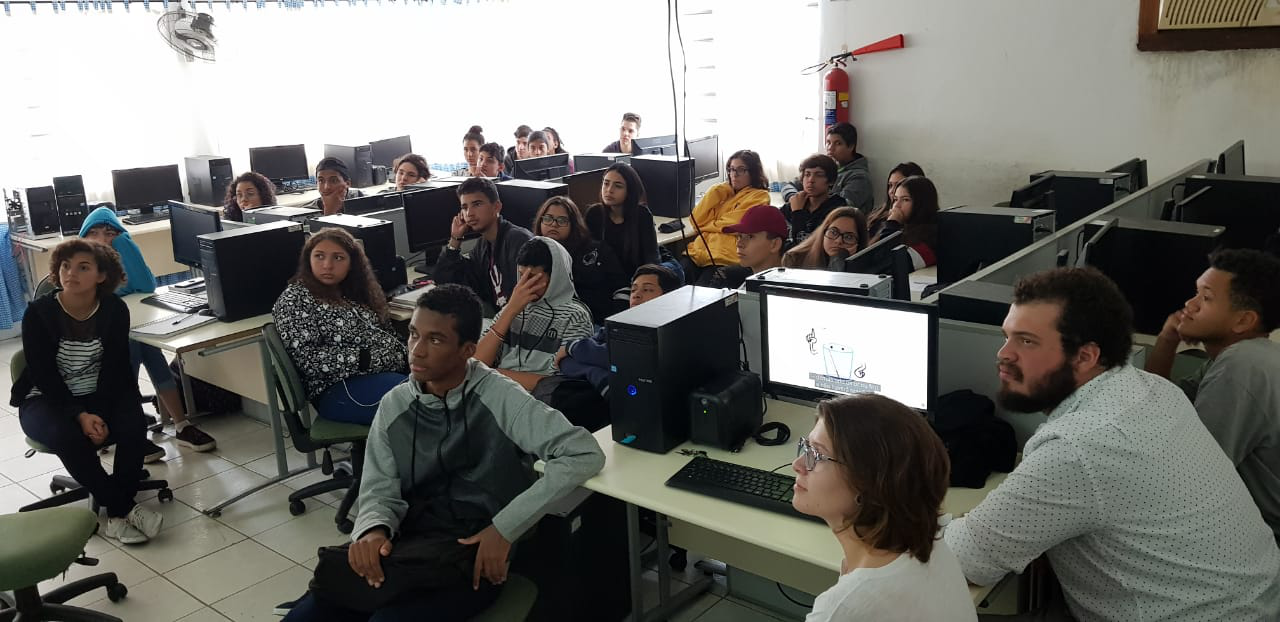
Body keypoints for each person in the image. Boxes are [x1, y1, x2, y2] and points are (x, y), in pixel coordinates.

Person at [944, 267, 1280, 621]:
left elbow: (964, 562)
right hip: (1254, 602)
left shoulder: (1080, 446)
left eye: (1026, 341)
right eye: (1007, 336)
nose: (1004, 354)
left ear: (1086, 356)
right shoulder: (1155, 391)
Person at [281, 284, 605, 622]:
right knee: (306, 616)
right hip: (408, 543)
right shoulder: (395, 404)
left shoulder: (500, 396)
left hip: (474, 551)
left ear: (467, 350)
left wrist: (505, 527)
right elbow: (378, 487)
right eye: (413, 335)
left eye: (435, 340)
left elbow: (583, 454)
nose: (416, 351)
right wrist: (373, 529)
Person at [12, 240, 165, 545]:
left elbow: (117, 368)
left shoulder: (114, 310)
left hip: (100, 392)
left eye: (83, 267)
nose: (71, 273)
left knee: (134, 423)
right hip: (46, 398)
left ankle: (117, 515)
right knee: (67, 435)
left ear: (101, 275)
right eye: (65, 266)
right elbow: (45, 375)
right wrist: (80, 415)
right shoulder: (39, 314)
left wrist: (100, 409)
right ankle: (123, 508)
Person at [795, 394, 976, 622]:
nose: (798, 465)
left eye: (817, 455)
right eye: (806, 447)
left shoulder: (846, 607)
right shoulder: (930, 543)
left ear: (868, 482)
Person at [1146, 249, 1280, 542]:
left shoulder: (1242, 366)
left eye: (1205, 298)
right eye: (1195, 293)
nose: (1189, 305)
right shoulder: (1236, 358)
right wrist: (1167, 339)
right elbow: (1158, 405)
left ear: (1243, 321)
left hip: (1264, 543)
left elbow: (1189, 476)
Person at [80, 208, 217, 456]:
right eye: (94, 233)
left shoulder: (117, 252)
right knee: (132, 349)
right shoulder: (82, 263)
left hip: (128, 324)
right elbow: (99, 295)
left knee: (150, 349)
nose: (102, 239)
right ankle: (132, 434)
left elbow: (144, 285)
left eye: (110, 233)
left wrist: (123, 244)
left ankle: (180, 424)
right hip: (92, 344)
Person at [272, 228, 408, 425]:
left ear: (352, 263)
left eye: (338, 258)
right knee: (417, 399)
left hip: (384, 374)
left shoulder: (358, 291)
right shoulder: (296, 299)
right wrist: (367, 358)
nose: (327, 265)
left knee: (444, 384)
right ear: (308, 260)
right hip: (336, 389)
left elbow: (387, 334)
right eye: (319, 256)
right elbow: (308, 361)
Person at [471, 238, 595, 392]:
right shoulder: (514, 306)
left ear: (555, 276)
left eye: (533, 277)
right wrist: (509, 311)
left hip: (541, 402)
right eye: (521, 275)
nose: (524, 284)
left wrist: (493, 375)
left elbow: (560, 384)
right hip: (498, 390)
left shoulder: (575, 316)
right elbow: (476, 363)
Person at [557, 264, 680, 395]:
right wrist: (597, 375)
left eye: (647, 290)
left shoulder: (667, 333)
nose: (636, 295)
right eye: (633, 290)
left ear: (669, 296)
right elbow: (565, 363)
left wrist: (571, 348)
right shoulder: (621, 323)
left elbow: (615, 357)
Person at [433, 177, 533, 312]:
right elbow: (446, 283)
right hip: (499, 321)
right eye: (464, 207)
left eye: (477, 204)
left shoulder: (518, 241)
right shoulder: (482, 246)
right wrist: (456, 238)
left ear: (496, 207)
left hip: (518, 324)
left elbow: (527, 300)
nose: (469, 213)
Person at [532, 196, 627, 323]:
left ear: (574, 224)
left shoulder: (597, 250)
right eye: (548, 219)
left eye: (562, 220)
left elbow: (622, 288)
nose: (554, 224)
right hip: (554, 324)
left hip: (597, 322)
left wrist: (616, 324)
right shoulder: (533, 255)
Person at [683, 150, 771, 283]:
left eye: (740, 170)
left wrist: (706, 226)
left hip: (723, 258)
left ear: (753, 172)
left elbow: (734, 225)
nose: (734, 175)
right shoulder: (722, 194)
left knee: (700, 297)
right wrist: (716, 190)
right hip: (698, 254)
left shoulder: (759, 196)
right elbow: (696, 221)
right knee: (671, 282)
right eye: (731, 169)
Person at [584, 163, 660, 279]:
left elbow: (652, 258)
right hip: (603, 279)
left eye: (618, 186)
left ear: (630, 190)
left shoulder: (641, 215)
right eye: (606, 183)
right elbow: (587, 254)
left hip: (635, 279)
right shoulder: (594, 214)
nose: (609, 190)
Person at [783, 122, 872, 213]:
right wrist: (794, 199)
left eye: (838, 143)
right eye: (828, 142)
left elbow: (842, 208)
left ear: (851, 147)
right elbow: (789, 186)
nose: (830, 148)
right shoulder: (823, 166)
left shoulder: (859, 177)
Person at [702, 204, 787, 289]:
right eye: (739, 236)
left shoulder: (788, 292)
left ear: (775, 244)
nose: (739, 244)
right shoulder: (746, 284)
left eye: (750, 236)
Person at [872, 175, 938, 270]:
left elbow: (890, 264)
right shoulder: (897, 227)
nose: (896, 206)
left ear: (921, 205)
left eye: (905, 200)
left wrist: (892, 224)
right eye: (895, 199)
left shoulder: (931, 239)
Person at [781, 154, 847, 245]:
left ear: (831, 181)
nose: (811, 180)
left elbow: (804, 244)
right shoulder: (798, 202)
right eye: (807, 174)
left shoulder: (837, 208)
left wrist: (797, 212)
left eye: (819, 175)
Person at [783, 207, 868, 270]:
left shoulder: (865, 269)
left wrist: (841, 260)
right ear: (823, 231)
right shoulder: (794, 259)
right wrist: (838, 260)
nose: (838, 241)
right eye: (833, 232)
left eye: (848, 237)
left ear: (859, 243)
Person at [866, 162, 926, 234]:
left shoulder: (921, 227)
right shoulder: (879, 213)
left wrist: (892, 223)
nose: (892, 191)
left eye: (898, 185)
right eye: (890, 185)